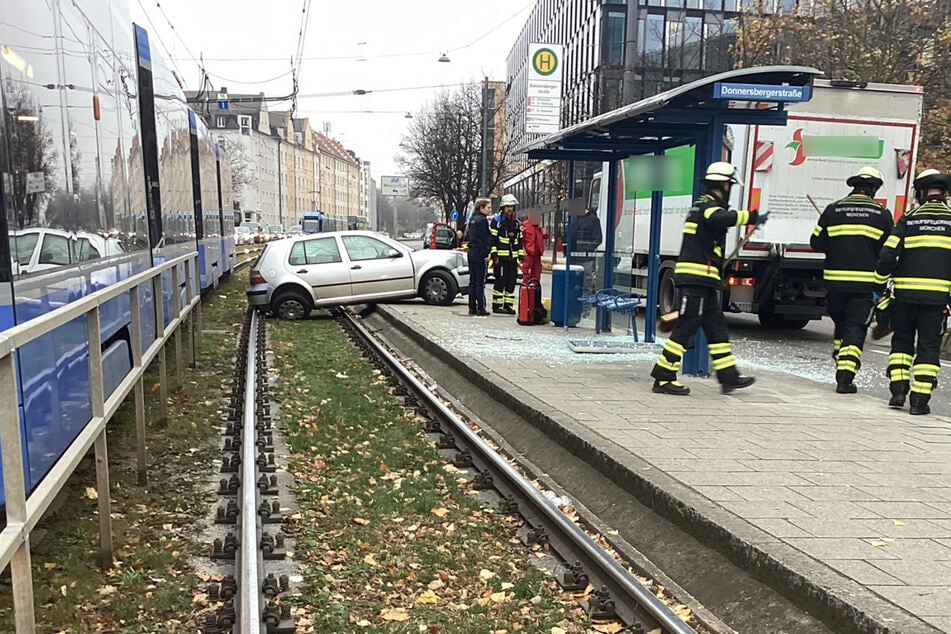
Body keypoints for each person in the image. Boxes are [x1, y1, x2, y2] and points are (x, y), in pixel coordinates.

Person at [649, 161, 765, 396]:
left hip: (705, 278)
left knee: (716, 328)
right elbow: (719, 219)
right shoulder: (708, 205)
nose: (730, 189)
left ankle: (728, 376)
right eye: (729, 185)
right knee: (687, 325)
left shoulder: (703, 205)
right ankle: (663, 377)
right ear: (723, 184)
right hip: (697, 277)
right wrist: (750, 217)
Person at [874, 169, 951, 415]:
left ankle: (898, 391)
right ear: (945, 193)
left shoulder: (908, 219)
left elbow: (887, 255)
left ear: (921, 192)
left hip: (904, 297)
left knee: (902, 342)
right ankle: (919, 402)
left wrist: (880, 283)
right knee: (929, 346)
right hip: (937, 299)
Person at [810, 167, 893, 394]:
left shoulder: (833, 210)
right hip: (864, 285)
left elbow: (816, 242)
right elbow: (888, 252)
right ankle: (845, 378)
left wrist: (836, 243)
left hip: (835, 283)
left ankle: (840, 365)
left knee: (841, 327)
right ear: (874, 188)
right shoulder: (882, 215)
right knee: (855, 329)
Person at [490, 194, 525, 314]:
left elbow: (519, 241)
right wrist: (494, 255)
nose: (510, 209)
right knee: (500, 281)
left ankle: (508, 305)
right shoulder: (497, 222)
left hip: (512, 259)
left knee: (511, 282)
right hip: (500, 258)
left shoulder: (516, 223)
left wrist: (520, 255)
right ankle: (497, 305)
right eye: (507, 206)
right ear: (503, 208)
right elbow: (492, 239)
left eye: (512, 206)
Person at [569, 203, 603, 298]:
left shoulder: (593, 219)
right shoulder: (575, 219)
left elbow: (598, 238)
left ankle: (585, 309)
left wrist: (587, 249)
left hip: (586, 258)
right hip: (574, 257)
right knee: (574, 284)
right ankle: (575, 306)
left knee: (586, 284)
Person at [466, 198, 492, 316]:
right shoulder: (482, 220)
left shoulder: (472, 220)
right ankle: (481, 308)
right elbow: (483, 239)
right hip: (479, 253)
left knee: (472, 281)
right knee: (480, 282)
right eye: (488, 207)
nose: (490, 210)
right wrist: (486, 254)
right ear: (481, 208)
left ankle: (472, 307)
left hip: (471, 252)